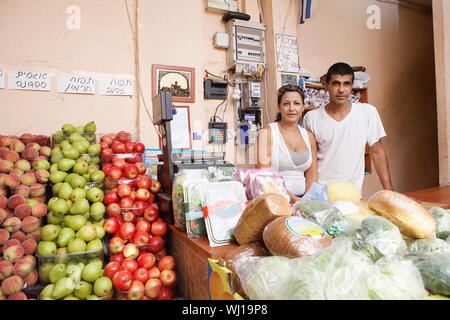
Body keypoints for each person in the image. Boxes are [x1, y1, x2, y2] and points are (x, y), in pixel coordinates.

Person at [302, 62, 393, 193]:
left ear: (352, 86)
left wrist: (390, 192)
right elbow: (310, 161)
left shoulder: (367, 112)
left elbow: (377, 153)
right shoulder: (311, 118)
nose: (341, 89)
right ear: (326, 85)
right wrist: (311, 196)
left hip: (352, 196)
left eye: (347, 84)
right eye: (336, 83)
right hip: (321, 194)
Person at [257, 84, 318, 203]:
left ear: (303, 107)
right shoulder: (267, 133)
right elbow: (264, 176)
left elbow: (312, 176)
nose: (291, 108)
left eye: (296, 103)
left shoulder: (309, 136)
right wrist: (295, 200)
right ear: (279, 107)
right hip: (274, 200)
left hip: (303, 201)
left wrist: (309, 200)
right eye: (286, 104)